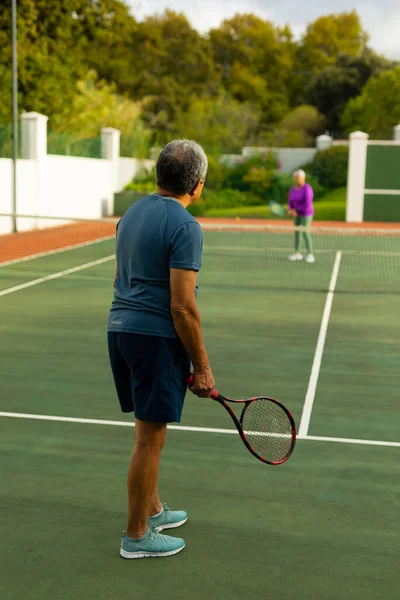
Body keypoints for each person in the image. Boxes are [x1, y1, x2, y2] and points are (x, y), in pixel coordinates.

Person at [107, 140, 215, 560]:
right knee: (149, 439)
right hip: (154, 337)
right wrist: (202, 366)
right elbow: (182, 307)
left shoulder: (131, 213)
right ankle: (136, 535)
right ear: (198, 185)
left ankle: (152, 509)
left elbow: (122, 276)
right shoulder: (185, 226)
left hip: (120, 329)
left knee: (146, 431)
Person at [288, 169, 315, 263]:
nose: (297, 180)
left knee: (305, 232)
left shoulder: (307, 188)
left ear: (303, 178)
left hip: (306, 214)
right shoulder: (293, 189)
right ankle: (297, 253)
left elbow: (307, 203)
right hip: (297, 214)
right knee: (297, 232)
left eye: (298, 178)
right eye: (295, 178)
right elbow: (290, 201)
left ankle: (310, 254)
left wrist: (296, 209)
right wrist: (291, 210)